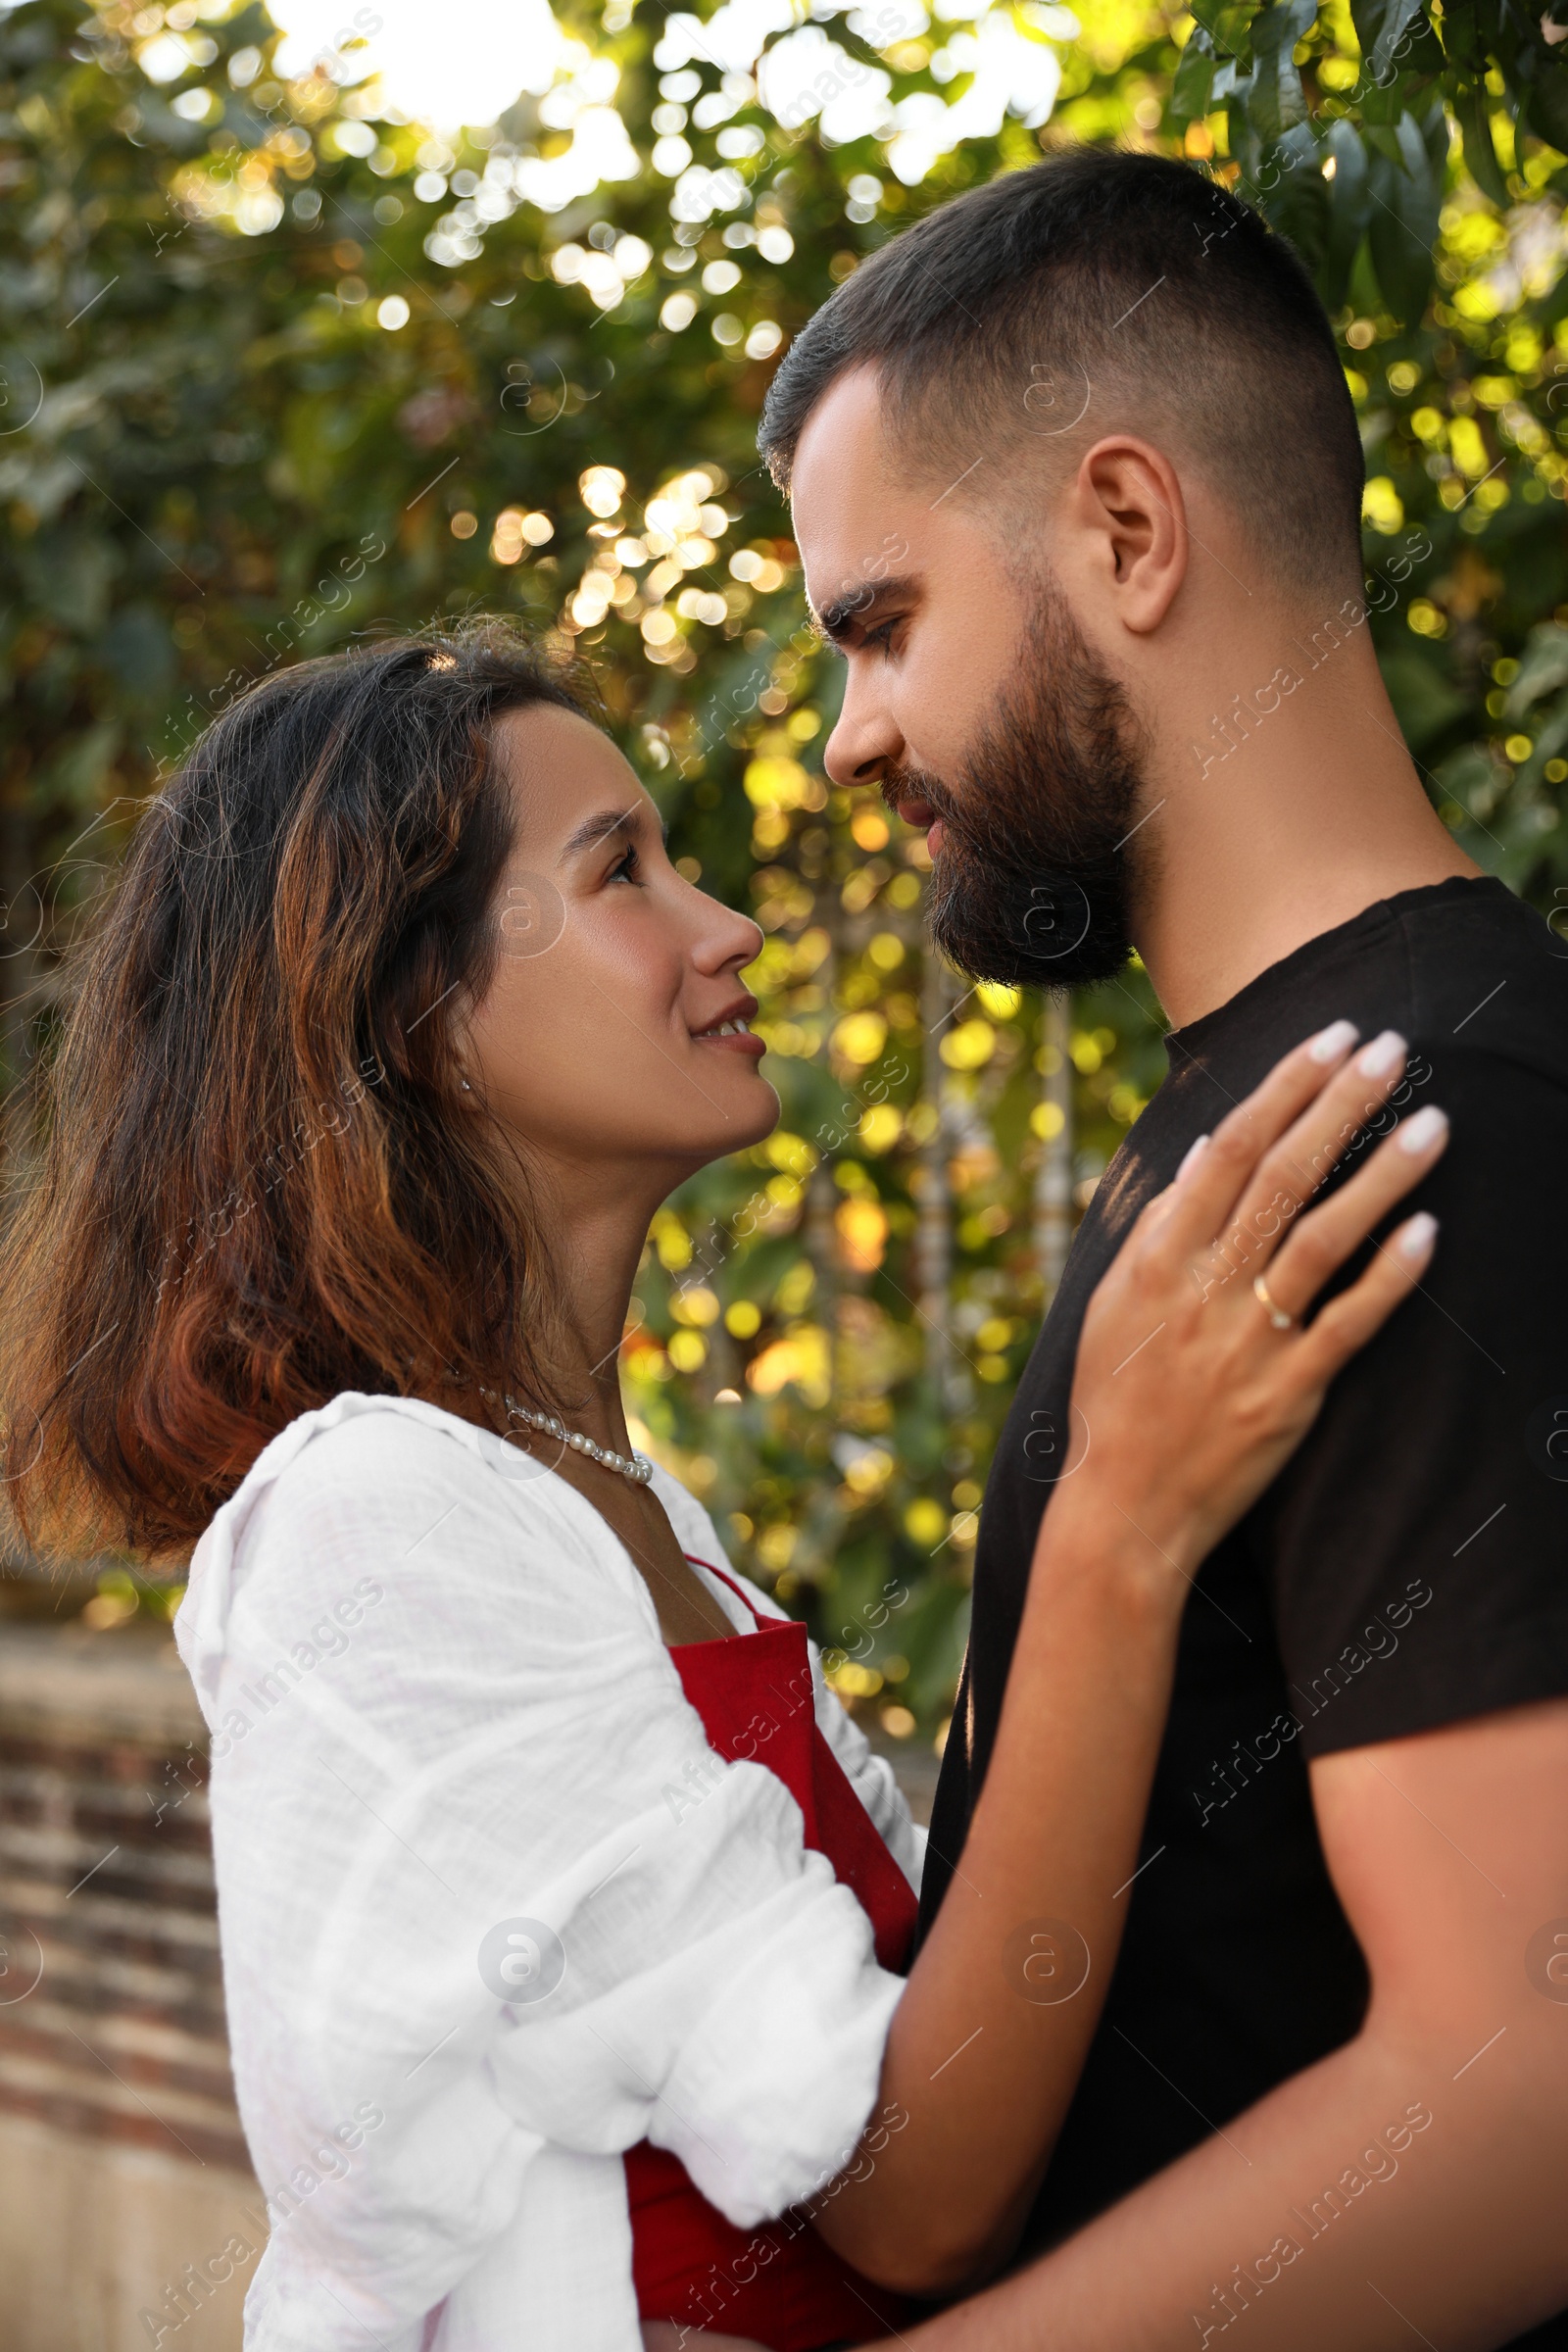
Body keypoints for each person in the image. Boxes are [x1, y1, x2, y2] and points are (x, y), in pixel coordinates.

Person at [0, 628, 1443, 2351]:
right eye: (625, 874)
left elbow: (953, 2014)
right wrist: (1118, 1529)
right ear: (422, 1021)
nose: (728, 929)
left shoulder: (617, 1510)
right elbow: (912, 2186)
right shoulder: (372, 1523)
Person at [762, 147, 1568, 2351]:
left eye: (878, 626)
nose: (846, 742)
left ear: (1123, 532)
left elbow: (1518, 2089)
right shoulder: (1267, 1107)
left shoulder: (1428, 1121)